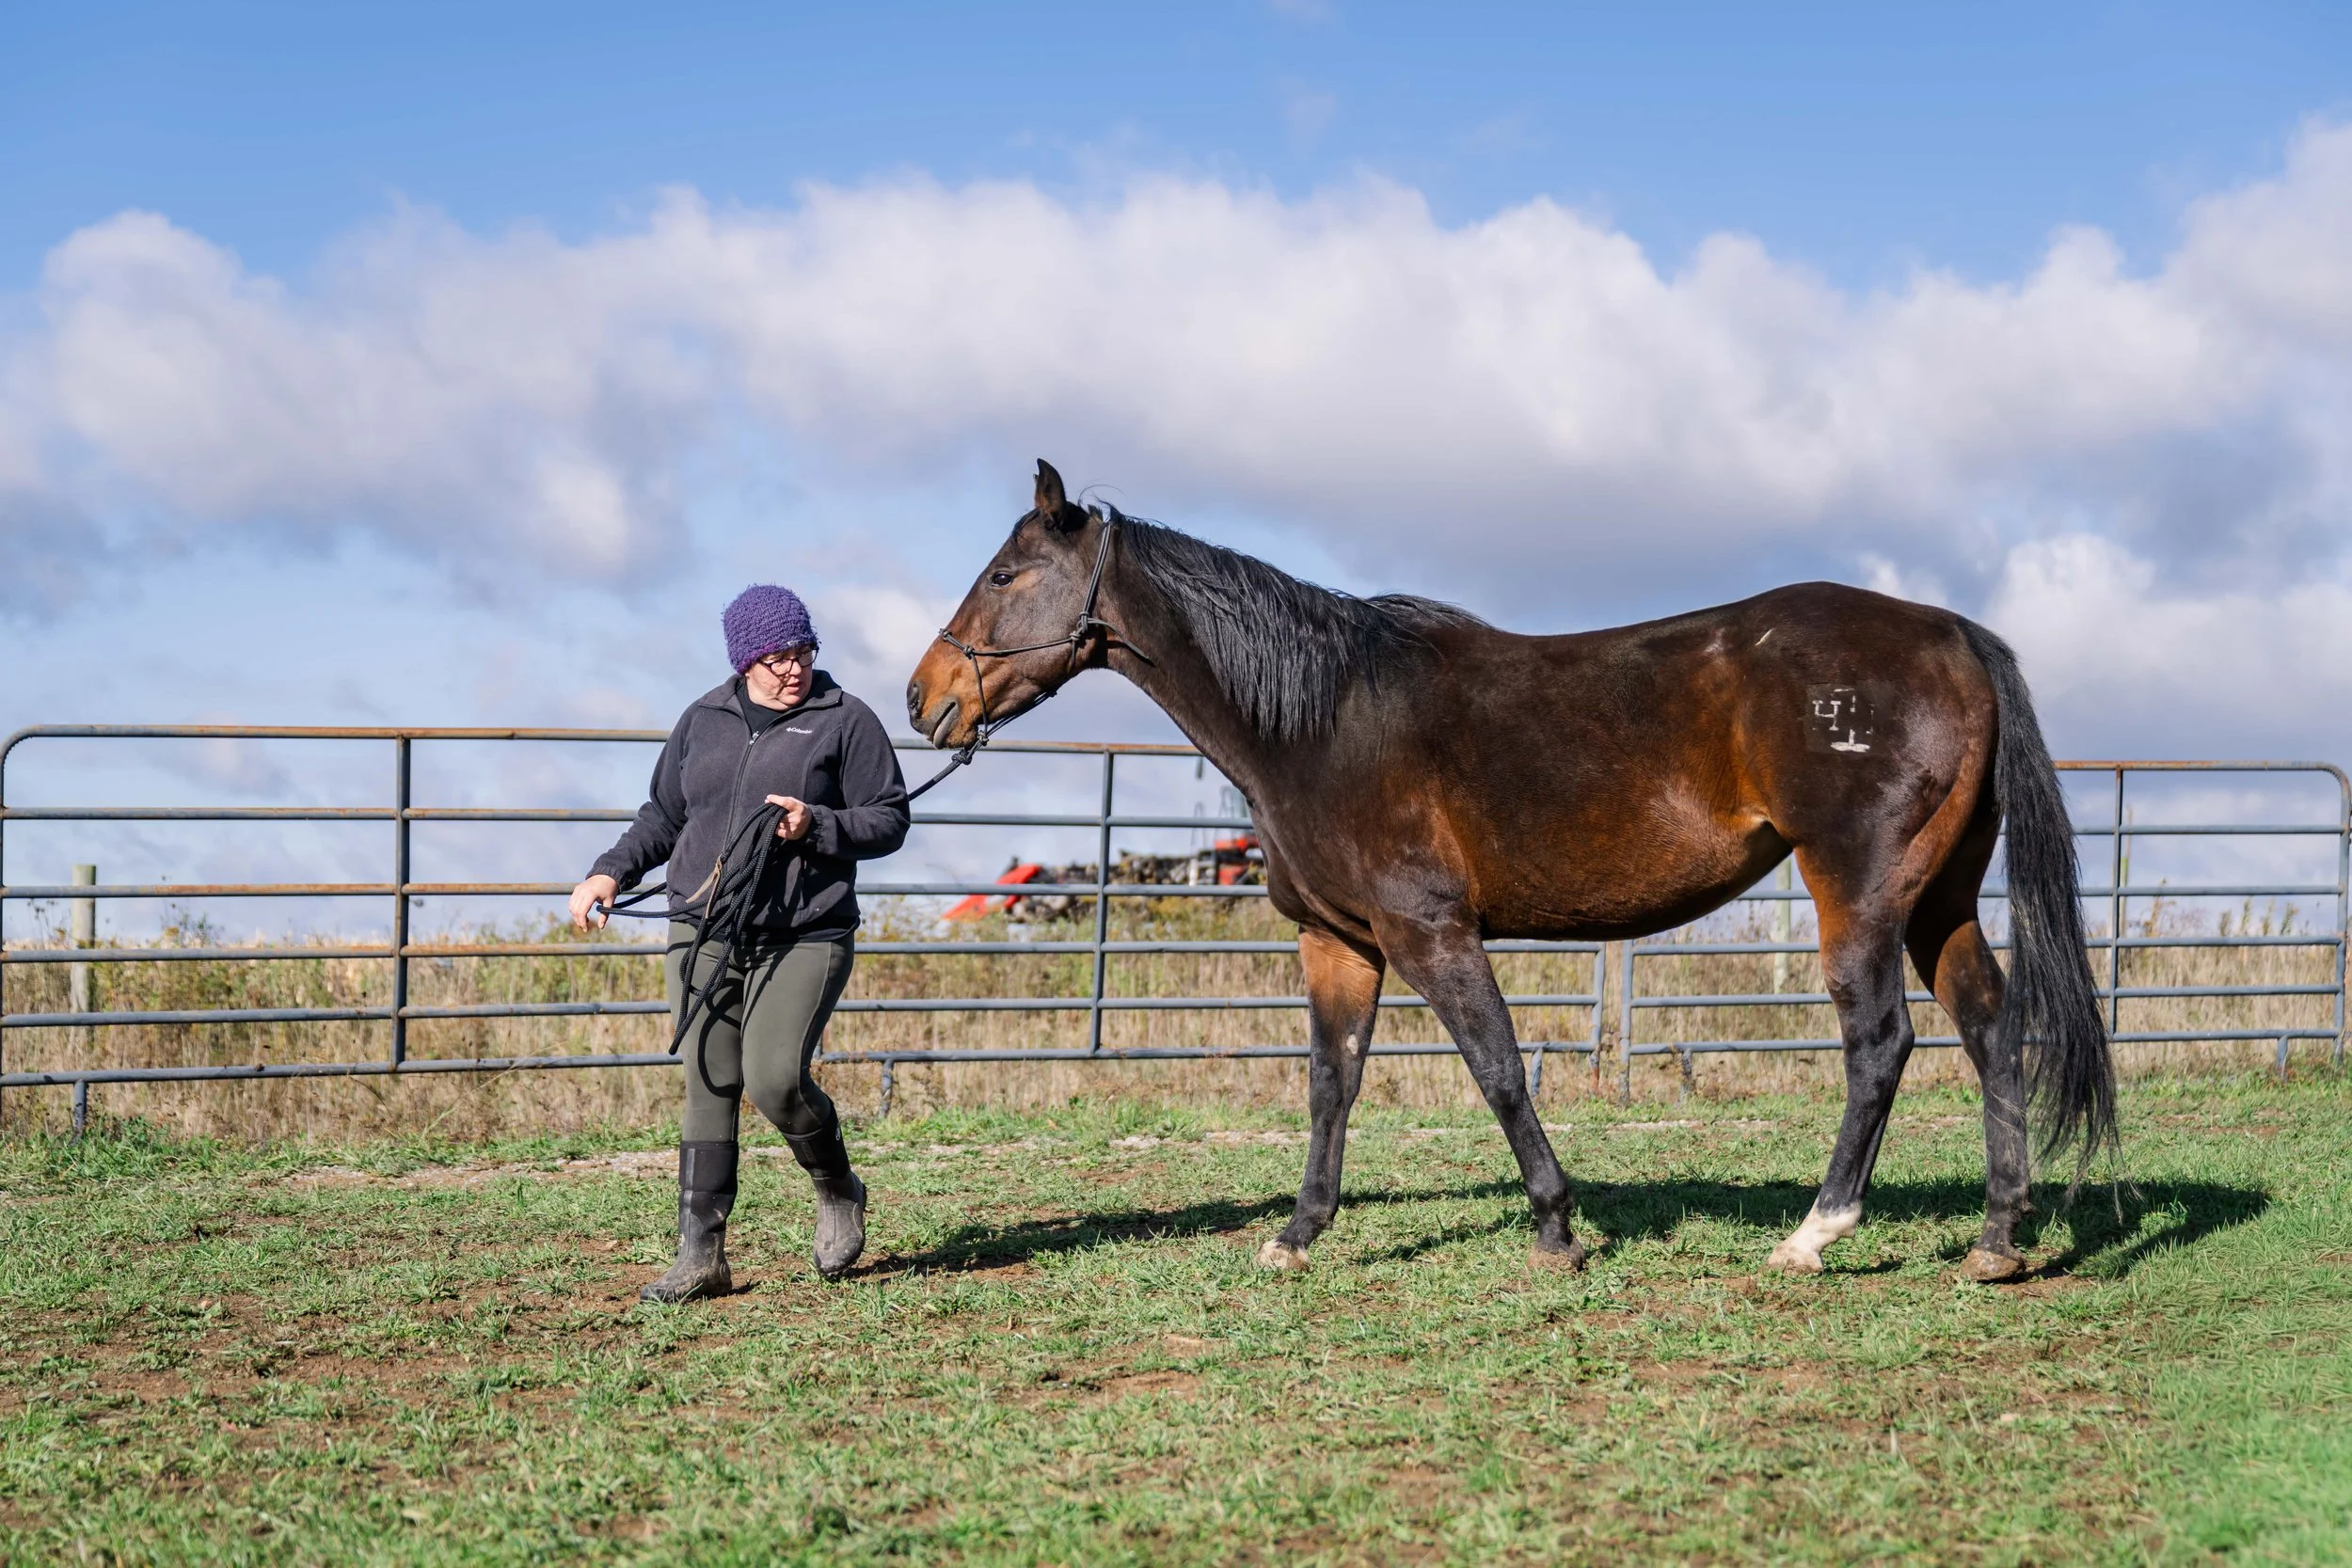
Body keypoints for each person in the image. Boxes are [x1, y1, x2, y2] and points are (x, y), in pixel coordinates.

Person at [570, 585, 909, 1301]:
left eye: (805, 652)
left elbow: (888, 819)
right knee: (709, 1080)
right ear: (746, 659)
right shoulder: (704, 719)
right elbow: (664, 815)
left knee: (775, 1078)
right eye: (779, 656)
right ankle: (701, 1256)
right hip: (703, 925)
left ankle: (838, 1186)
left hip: (805, 929)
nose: (795, 669)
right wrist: (609, 870)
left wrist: (815, 823)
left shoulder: (845, 720)